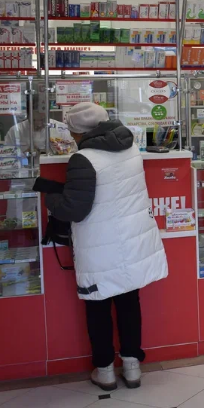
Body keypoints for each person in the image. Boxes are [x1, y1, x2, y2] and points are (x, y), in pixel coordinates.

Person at [34, 102, 168, 391]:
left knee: (98, 306)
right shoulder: (130, 149)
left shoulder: (82, 158)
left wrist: (50, 197)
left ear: (78, 132)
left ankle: (105, 369)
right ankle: (132, 366)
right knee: (129, 302)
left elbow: (74, 210)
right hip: (131, 241)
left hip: (99, 245)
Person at [4, 94, 76, 156]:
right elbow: (6, 157)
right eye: (34, 120)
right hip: (26, 167)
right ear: (28, 116)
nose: (39, 124)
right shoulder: (15, 131)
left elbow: (74, 152)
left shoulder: (61, 128)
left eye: (42, 120)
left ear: (48, 114)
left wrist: (62, 149)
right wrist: (25, 155)